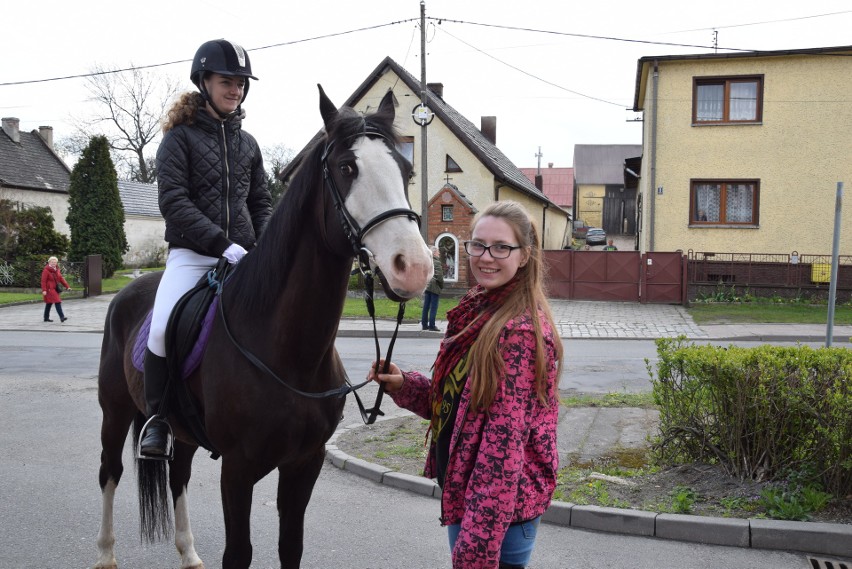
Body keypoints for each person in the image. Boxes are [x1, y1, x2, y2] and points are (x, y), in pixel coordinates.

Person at [367, 201, 563, 569]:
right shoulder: (478, 311)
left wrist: (473, 555)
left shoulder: (517, 333)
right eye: (478, 244)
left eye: (501, 247)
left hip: (496, 515)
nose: (486, 257)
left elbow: (501, 455)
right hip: (467, 498)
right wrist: (403, 385)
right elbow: (458, 408)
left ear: (524, 256)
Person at [139, 39, 272, 459]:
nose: (235, 90)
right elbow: (174, 203)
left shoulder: (248, 144)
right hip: (192, 256)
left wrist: (262, 248)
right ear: (204, 81)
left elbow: (261, 203)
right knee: (161, 328)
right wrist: (222, 244)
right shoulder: (178, 140)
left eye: (240, 83)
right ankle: (157, 419)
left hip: (245, 259)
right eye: (226, 82)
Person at [41, 256, 72, 323]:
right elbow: (43, 281)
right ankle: (62, 317)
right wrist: (44, 290)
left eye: (55, 262)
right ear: (49, 262)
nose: (53, 263)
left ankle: (46, 318)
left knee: (49, 303)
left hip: (54, 288)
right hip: (49, 289)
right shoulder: (46, 270)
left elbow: (61, 278)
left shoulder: (57, 269)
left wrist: (67, 286)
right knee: (57, 301)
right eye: (52, 262)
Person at [421, 245, 444, 331]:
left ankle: (424, 325)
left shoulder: (427, 261)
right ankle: (432, 325)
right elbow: (439, 277)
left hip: (427, 286)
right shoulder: (436, 262)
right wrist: (441, 286)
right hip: (435, 287)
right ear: (434, 253)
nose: (439, 253)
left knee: (426, 306)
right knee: (433, 307)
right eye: (438, 252)